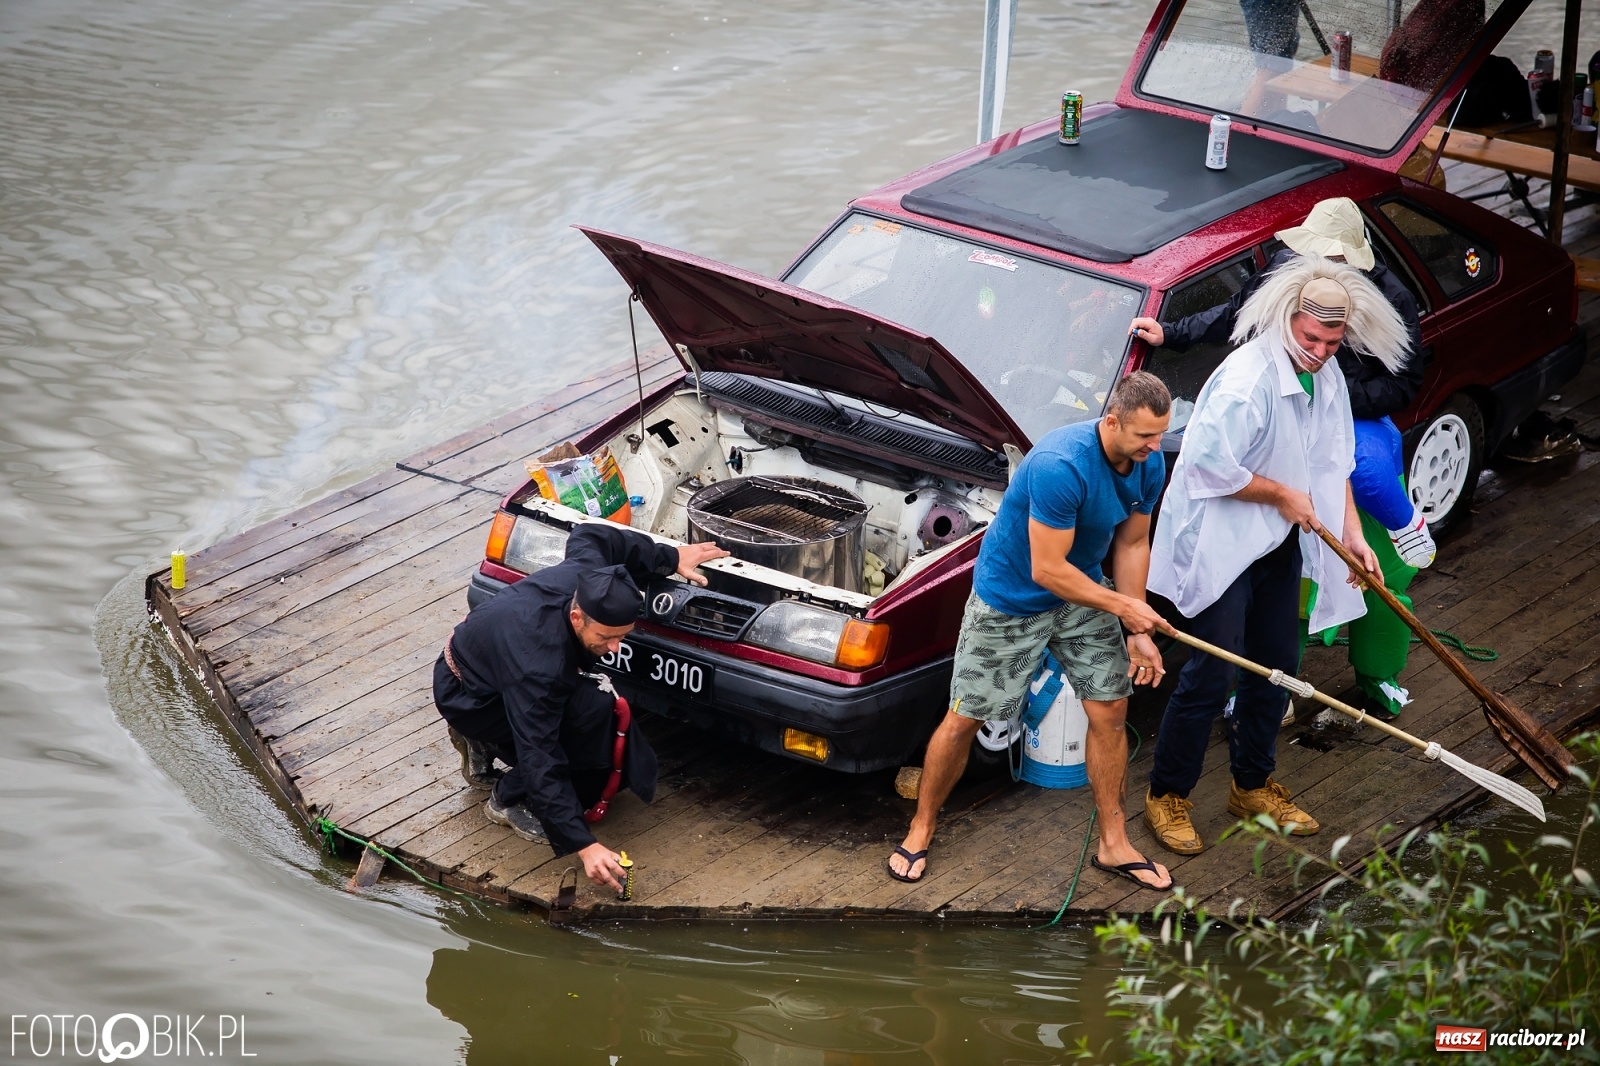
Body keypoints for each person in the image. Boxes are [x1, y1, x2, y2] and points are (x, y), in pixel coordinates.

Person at [1131, 196, 1433, 718]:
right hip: (1290, 407)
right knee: (1277, 590)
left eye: (1330, 340)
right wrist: (1173, 334)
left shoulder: (1389, 300)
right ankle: (1262, 687)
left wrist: (1323, 393)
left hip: (1351, 411)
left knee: (1371, 476)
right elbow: (1234, 314)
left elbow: (1403, 384)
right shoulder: (1279, 287)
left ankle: (1409, 534)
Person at [1144, 259, 1406, 855]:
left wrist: (1354, 536)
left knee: (1279, 663)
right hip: (1223, 538)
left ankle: (1253, 784)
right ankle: (1167, 794)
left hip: (1277, 539)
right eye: (1310, 339)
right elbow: (1209, 467)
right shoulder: (1246, 381)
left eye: (1331, 342)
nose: (1318, 351)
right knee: (1211, 672)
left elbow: (1332, 460)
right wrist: (1282, 494)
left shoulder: (1330, 374)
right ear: (1289, 319)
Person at [887, 371, 1178, 891]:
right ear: (1111, 421)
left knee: (1111, 709)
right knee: (965, 717)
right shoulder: (1058, 464)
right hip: (1013, 599)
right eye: (1144, 437)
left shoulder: (1148, 463)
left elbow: (1133, 545)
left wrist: (1136, 627)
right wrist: (1124, 608)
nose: (1155, 448)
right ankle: (921, 826)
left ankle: (1114, 843)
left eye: (1161, 435)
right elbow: (1047, 569)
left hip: (1084, 591)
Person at [433, 521, 728, 891]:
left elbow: (592, 535)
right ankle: (507, 798)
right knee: (586, 722)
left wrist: (669, 557)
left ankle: (479, 741)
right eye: (605, 637)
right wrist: (584, 845)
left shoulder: (586, 572)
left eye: (623, 635)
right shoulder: (539, 669)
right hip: (469, 696)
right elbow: (540, 752)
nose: (616, 647)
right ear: (577, 617)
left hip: (482, 665)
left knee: (577, 707)